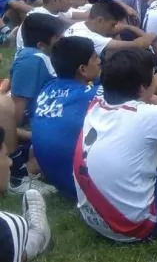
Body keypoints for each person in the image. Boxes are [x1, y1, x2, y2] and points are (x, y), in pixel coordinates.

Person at [74, 49, 157, 242]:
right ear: (141, 87)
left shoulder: (96, 104)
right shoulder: (146, 115)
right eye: (153, 77)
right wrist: (154, 98)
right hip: (137, 227)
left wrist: (148, 95)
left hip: (95, 219)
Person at [32, 36, 101, 200]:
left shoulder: (48, 88)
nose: (99, 61)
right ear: (83, 69)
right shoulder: (93, 95)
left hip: (55, 176)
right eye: (95, 57)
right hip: (81, 185)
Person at [8, 14, 64, 194]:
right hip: (34, 122)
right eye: (58, 38)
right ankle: (20, 175)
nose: (62, 41)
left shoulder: (39, 56)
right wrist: (20, 133)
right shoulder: (31, 60)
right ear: (41, 44)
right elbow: (18, 106)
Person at [0, 125, 51, 261]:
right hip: (9, 234)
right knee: (17, 243)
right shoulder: (8, 226)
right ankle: (38, 237)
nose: (10, 162)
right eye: (5, 156)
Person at [63, 0, 157, 57]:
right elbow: (137, 44)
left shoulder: (80, 26)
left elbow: (123, 27)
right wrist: (153, 37)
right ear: (100, 20)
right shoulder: (93, 38)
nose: (114, 27)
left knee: (123, 33)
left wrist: (130, 28)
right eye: (112, 24)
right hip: (84, 80)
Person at [14, 0, 83, 53]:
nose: (71, 1)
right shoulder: (42, 21)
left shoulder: (49, 11)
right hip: (36, 60)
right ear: (55, 1)